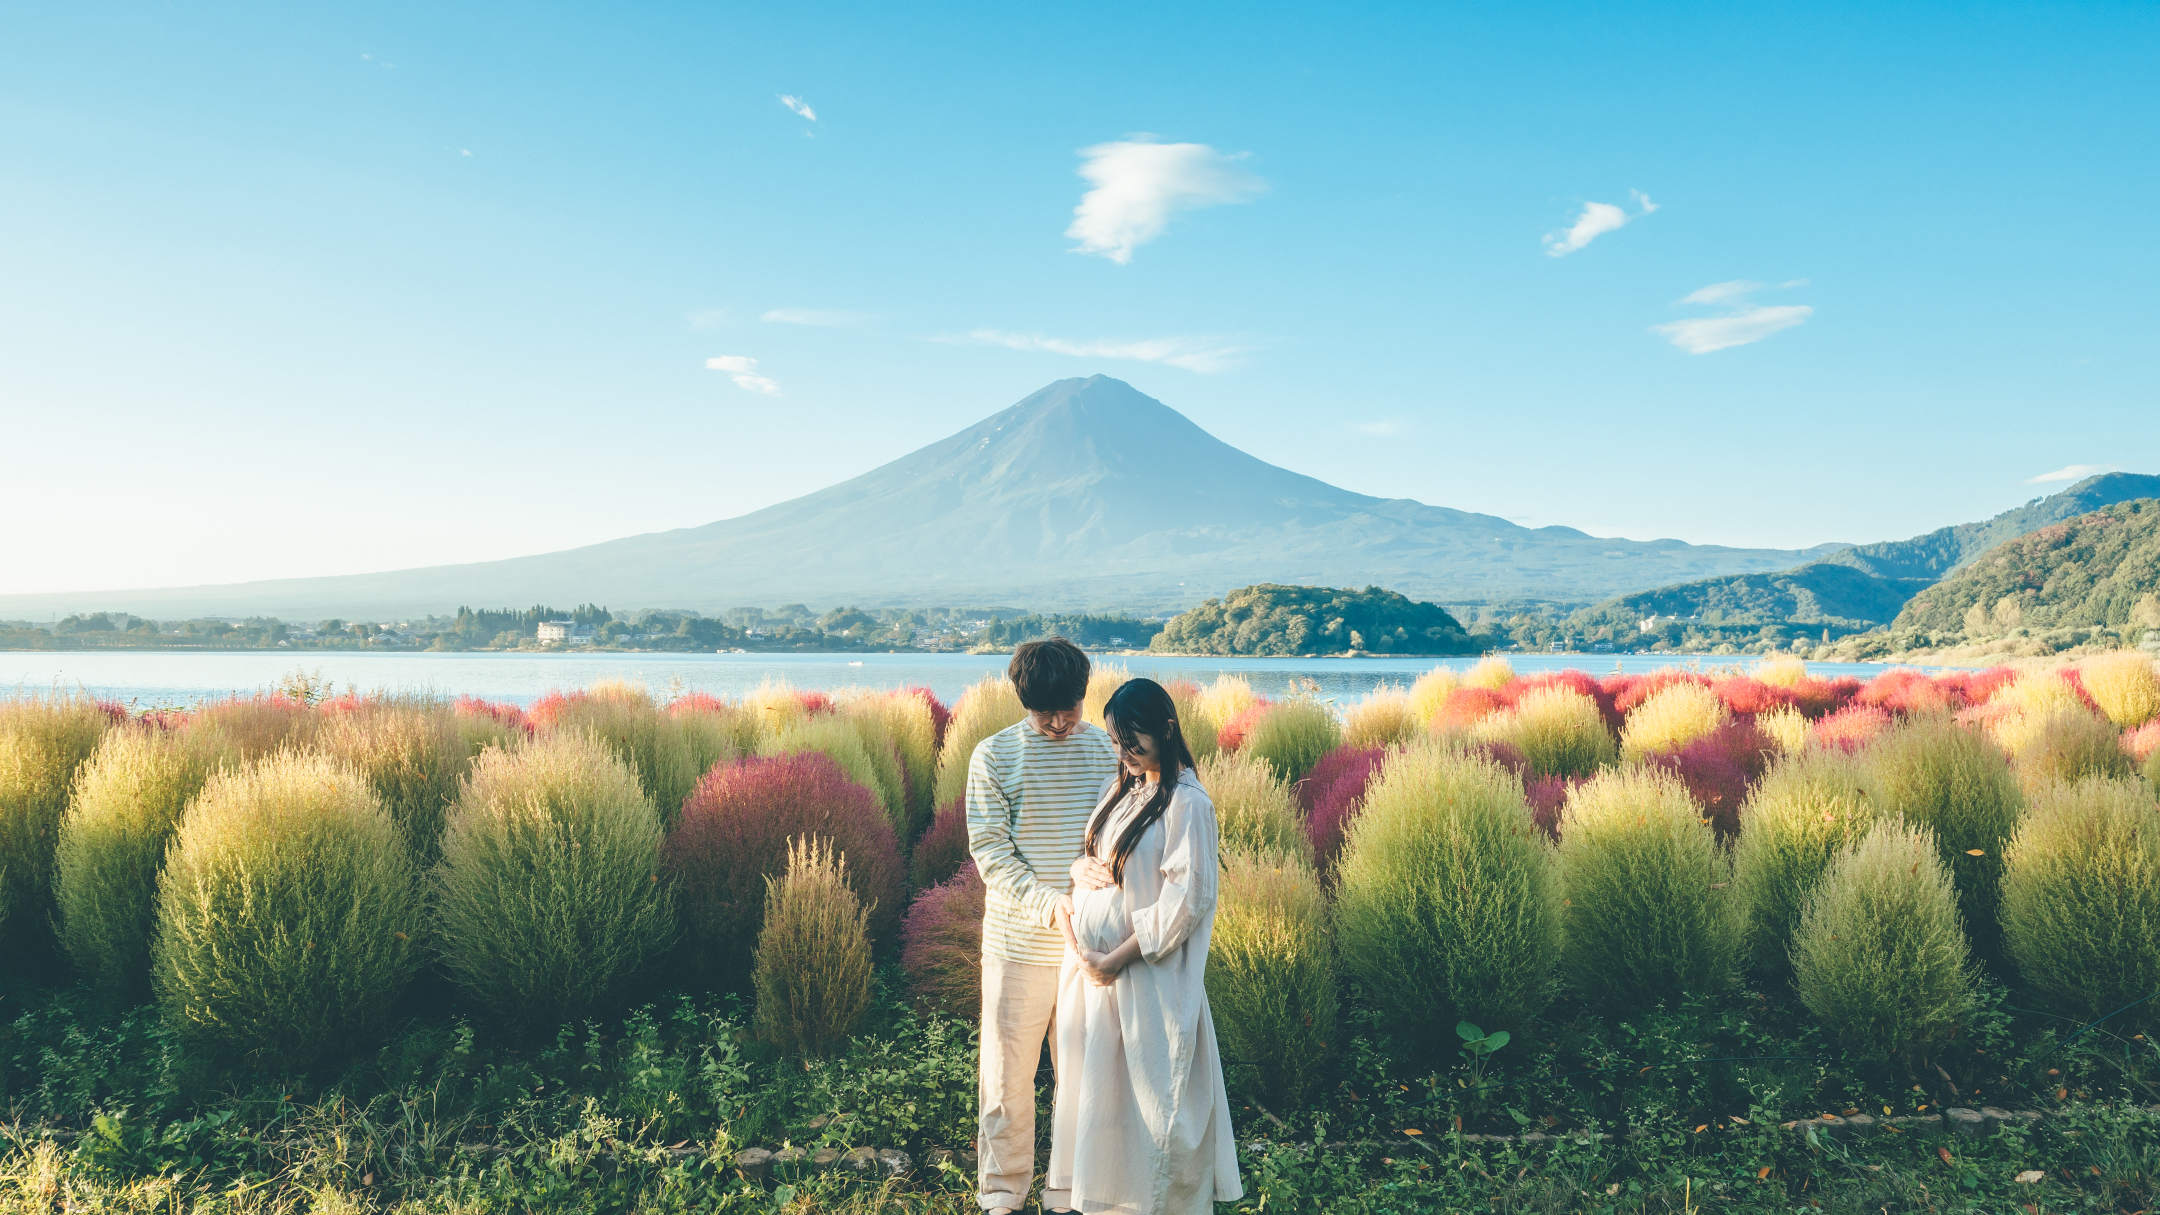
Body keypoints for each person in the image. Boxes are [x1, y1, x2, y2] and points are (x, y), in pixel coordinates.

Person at [1049, 677, 1241, 1214]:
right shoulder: (1129, 786)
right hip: (1100, 980)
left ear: (1167, 729)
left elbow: (1187, 900)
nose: (1124, 753)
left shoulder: (1187, 802)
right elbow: (1107, 858)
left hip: (1142, 979)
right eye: (1116, 741)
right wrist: (1078, 867)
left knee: (1153, 1107)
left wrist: (1112, 960)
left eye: (1133, 741)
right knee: (1104, 1104)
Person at [965, 638, 1121, 1215]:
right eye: (1044, 711)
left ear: (1084, 695)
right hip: (1017, 943)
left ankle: (1071, 1190)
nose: (1058, 722)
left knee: (1084, 1076)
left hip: (1094, 947)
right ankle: (1003, 1193)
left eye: (1070, 708)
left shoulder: (1108, 751)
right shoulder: (993, 755)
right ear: (1022, 700)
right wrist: (1051, 902)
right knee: (1007, 1079)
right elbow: (991, 853)